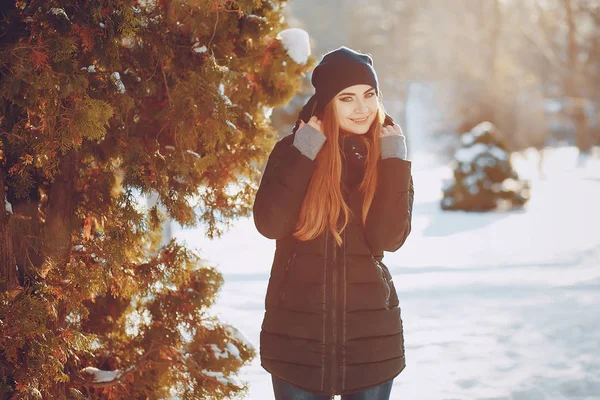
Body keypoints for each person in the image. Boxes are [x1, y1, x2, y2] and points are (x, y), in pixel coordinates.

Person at [253, 46, 414, 400]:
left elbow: (389, 237)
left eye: (369, 95)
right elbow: (270, 224)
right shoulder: (292, 150)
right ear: (328, 103)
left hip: (371, 343)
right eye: (347, 98)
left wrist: (394, 163)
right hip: (297, 342)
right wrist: (306, 149)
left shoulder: (387, 155)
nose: (362, 108)